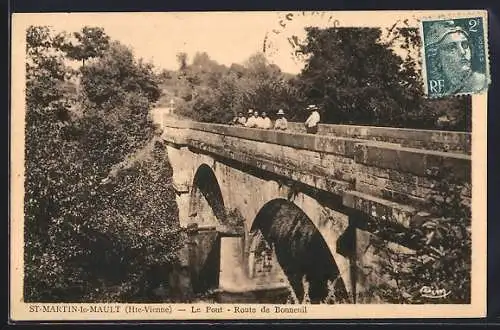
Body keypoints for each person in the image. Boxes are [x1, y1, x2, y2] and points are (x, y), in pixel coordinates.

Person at [425, 20, 487, 95]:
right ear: (436, 57)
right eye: (451, 47)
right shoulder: (443, 90)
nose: (463, 52)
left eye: (465, 45)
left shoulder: (480, 84)